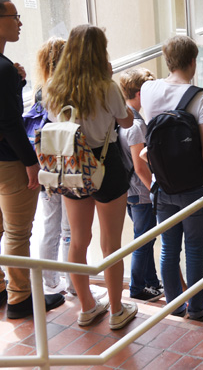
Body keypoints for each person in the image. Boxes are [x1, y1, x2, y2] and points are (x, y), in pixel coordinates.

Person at [45, 25, 137, 329]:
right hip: (105, 163)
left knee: (77, 240)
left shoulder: (54, 88)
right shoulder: (106, 87)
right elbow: (126, 119)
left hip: (72, 163)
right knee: (111, 244)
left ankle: (85, 306)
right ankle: (115, 310)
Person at [139, 35, 203, 324]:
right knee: (196, 249)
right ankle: (198, 311)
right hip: (195, 187)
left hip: (162, 184)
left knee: (169, 248)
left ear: (167, 61)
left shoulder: (148, 89)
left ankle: (174, 307)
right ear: (192, 62)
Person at [0, 0, 65, 318]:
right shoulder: (2, 69)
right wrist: (30, 163)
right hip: (8, 162)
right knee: (16, 233)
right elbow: (10, 122)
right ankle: (20, 298)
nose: (20, 22)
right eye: (14, 17)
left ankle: (2, 289)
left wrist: (18, 81)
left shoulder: (7, 70)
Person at [118, 68, 163, 303]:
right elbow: (140, 166)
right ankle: (137, 288)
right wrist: (155, 190)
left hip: (131, 191)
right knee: (143, 240)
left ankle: (152, 283)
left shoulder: (123, 117)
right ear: (139, 93)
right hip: (140, 192)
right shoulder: (135, 124)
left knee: (146, 238)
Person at [32, 37, 72, 294]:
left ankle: (49, 282)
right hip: (68, 163)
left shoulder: (41, 91)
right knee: (69, 228)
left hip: (46, 162)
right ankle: (75, 283)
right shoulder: (68, 89)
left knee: (49, 224)